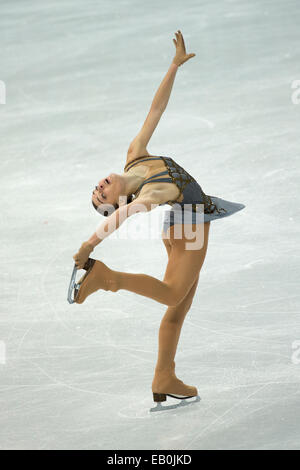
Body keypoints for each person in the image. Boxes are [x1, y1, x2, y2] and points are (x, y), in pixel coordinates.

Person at [72, 31, 245, 404]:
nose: (100, 186)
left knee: (177, 306)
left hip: (181, 226)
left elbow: (155, 110)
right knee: (172, 293)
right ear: (119, 201)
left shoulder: (136, 155)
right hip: (192, 228)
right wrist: (90, 244)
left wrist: (173, 66)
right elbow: (127, 216)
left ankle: (164, 377)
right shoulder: (150, 194)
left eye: (97, 187)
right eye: (102, 196)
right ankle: (107, 278)